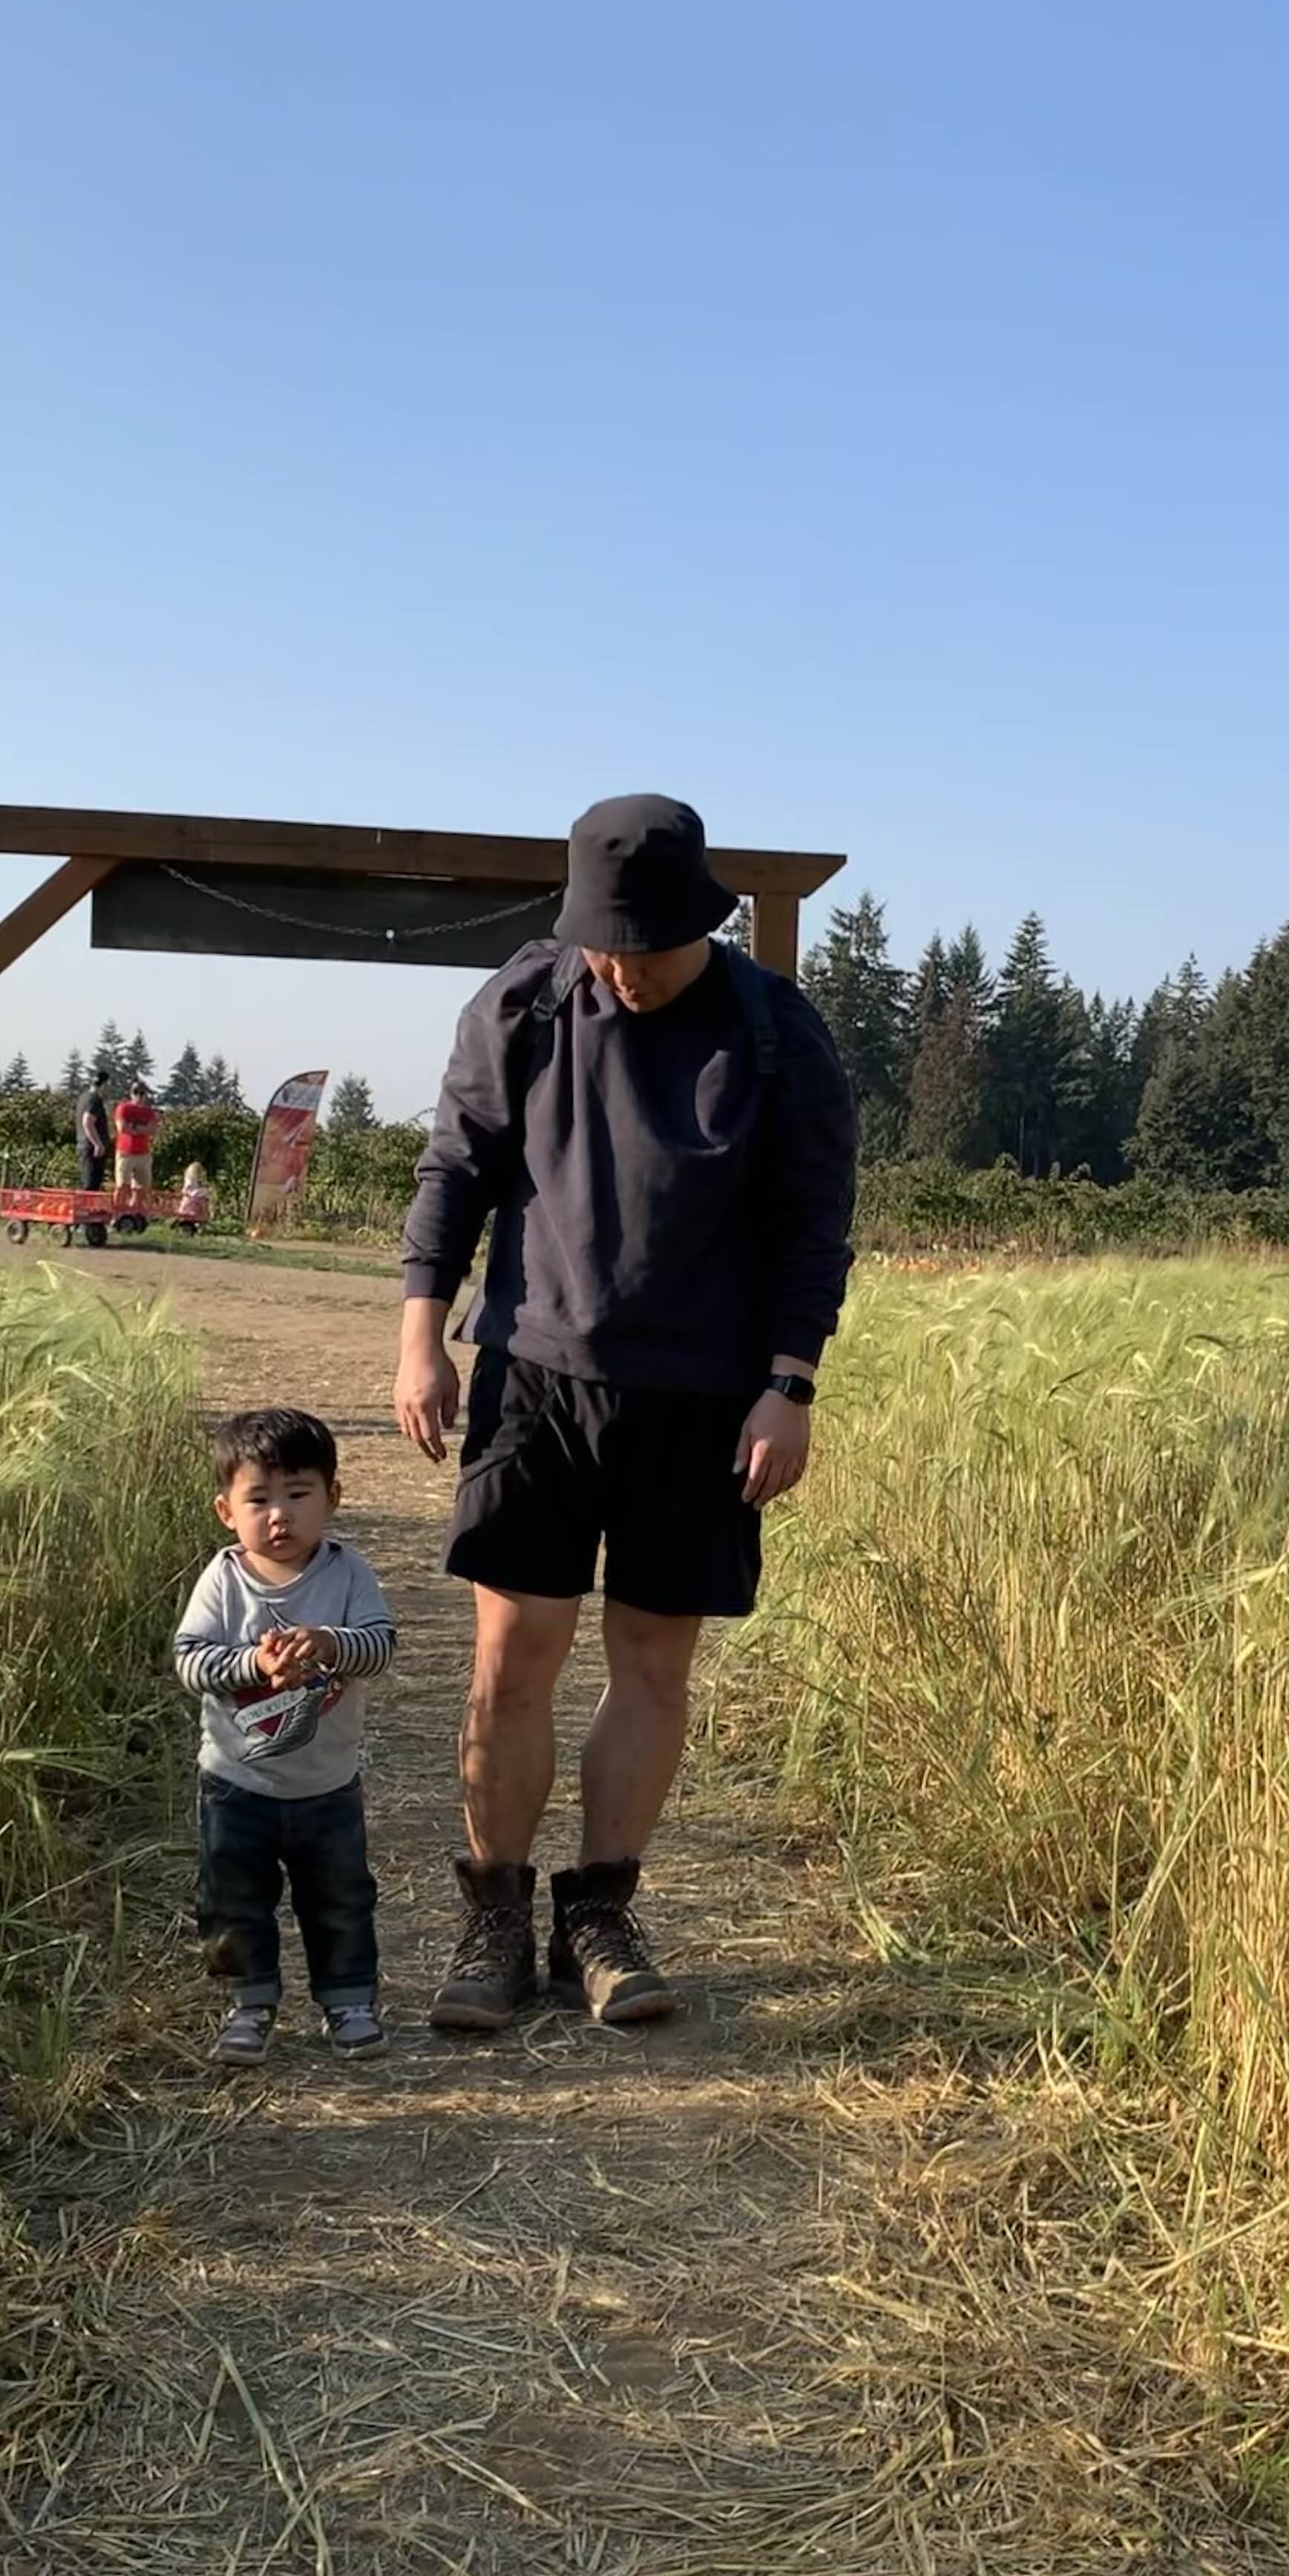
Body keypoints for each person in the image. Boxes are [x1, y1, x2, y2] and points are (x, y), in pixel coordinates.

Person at [394, 792, 857, 2032]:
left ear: (700, 920)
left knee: (653, 1658)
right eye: (601, 946)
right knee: (513, 1653)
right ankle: (493, 1919)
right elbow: (455, 1170)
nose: (620, 971)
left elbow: (812, 1224)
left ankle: (597, 1916)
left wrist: (790, 1384)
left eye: (641, 949)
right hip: (533, 1375)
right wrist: (419, 1338)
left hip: (704, 1397)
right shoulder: (526, 1001)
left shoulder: (776, 1033)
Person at [173, 1407, 396, 2066]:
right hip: (235, 1785)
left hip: (327, 1786)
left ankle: (349, 2001)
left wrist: (330, 1643)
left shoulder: (349, 1575)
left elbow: (380, 1647)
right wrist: (254, 1663)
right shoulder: (223, 1580)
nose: (280, 1516)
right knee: (232, 1901)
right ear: (226, 1511)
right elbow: (190, 1660)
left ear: (333, 1497)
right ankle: (249, 2004)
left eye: (298, 1495)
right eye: (259, 1500)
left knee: (341, 1899)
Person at [112, 1077, 157, 1203]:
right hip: (126, 1152)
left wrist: (134, 1127)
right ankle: (118, 1209)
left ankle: (135, 1210)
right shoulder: (124, 1108)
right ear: (132, 1094)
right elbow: (122, 1128)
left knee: (142, 1188)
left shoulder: (149, 1112)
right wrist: (142, 1129)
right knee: (122, 1186)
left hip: (143, 1153)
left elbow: (152, 1130)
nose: (140, 1097)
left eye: (143, 1093)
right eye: (137, 1093)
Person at [77, 1070, 113, 1192]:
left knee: (90, 1184)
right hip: (91, 1149)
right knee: (91, 1186)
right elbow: (88, 1121)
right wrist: (98, 1144)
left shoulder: (84, 1097)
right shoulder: (94, 1100)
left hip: (85, 1146)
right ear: (104, 1085)